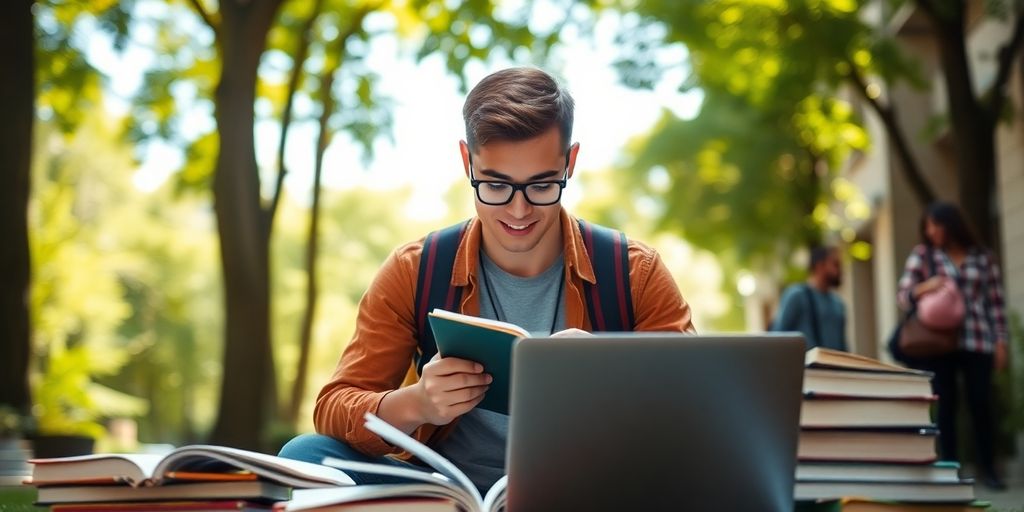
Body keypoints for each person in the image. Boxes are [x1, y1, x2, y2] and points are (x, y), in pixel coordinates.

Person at [278, 67, 695, 493]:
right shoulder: (414, 269)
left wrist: (613, 376)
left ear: (569, 163)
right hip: (445, 491)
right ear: (467, 161)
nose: (518, 212)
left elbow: (700, 412)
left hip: (589, 490)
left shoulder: (633, 272)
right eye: (495, 186)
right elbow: (335, 405)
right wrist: (417, 402)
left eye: (541, 185)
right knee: (305, 456)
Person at [896, 201, 1009, 490]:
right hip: (939, 342)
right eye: (927, 226)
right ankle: (950, 469)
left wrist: (1001, 342)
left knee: (981, 403)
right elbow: (903, 295)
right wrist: (926, 287)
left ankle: (989, 469)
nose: (931, 231)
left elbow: (995, 302)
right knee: (945, 405)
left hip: (978, 339)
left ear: (951, 224)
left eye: (936, 224)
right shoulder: (924, 256)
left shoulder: (982, 257)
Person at [770, 246, 848, 351]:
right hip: (805, 366)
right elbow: (777, 337)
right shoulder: (797, 296)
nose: (840, 271)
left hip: (834, 366)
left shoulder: (838, 304)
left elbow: (843, 346)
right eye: (835, 264)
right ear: (820, 266)